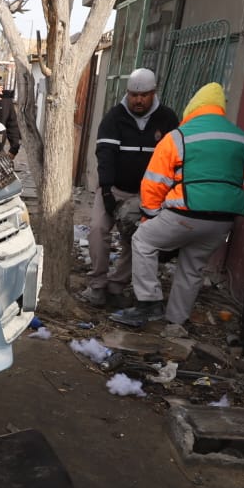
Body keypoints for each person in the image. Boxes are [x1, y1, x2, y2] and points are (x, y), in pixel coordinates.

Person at [110, 82, 244, 337]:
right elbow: (240, 179)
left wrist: (150, 216)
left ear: (192, 107)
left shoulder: (179, 136)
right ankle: (176, 321)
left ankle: (148, 303)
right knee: (193, 266)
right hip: (224, 221)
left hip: (185, 213)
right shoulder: (241, 138)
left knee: (143, 240)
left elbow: (154, 182)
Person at [76, 68, 180, 308]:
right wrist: (106, 190)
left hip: (148, 194)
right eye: (134, 95)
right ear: (128, 93)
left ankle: (117, 286)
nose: (138, 100)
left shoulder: (167, 119)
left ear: (154, 93)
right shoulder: (114, 117)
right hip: (114, 188)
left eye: (144, 95)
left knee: (136, 239)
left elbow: (174, 159)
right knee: (97, 230)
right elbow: (105, 155)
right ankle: (97, 284)